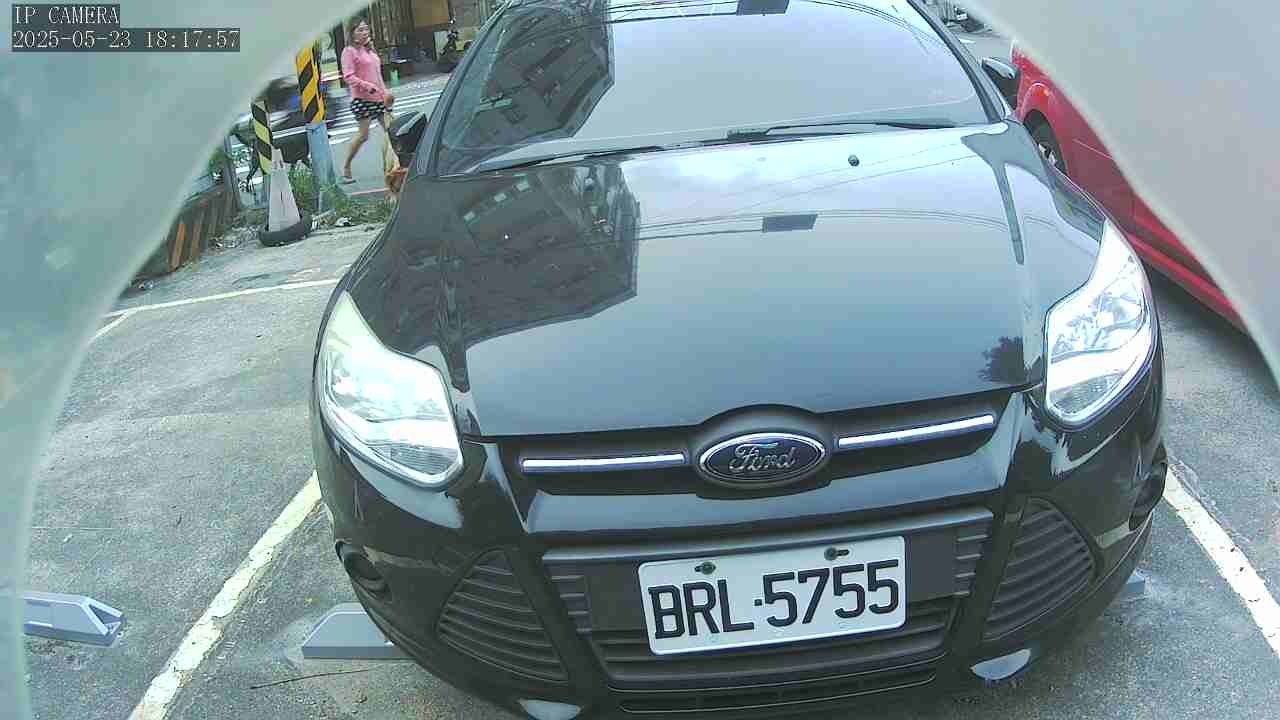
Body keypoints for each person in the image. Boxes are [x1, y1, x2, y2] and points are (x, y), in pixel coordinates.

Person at [339, 19, 394, 183]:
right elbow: (348, 76)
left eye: (366, 29)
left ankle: (394, 167)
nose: (364, 33)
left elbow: (378, 76)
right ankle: (346, 167)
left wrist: (386, 94)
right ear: (352, 34)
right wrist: (366, 86)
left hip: (379, 99)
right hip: (362, 100)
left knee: (393, 131)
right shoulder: (349, 51)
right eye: (360, 30)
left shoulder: (369, 50)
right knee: (363, 136)